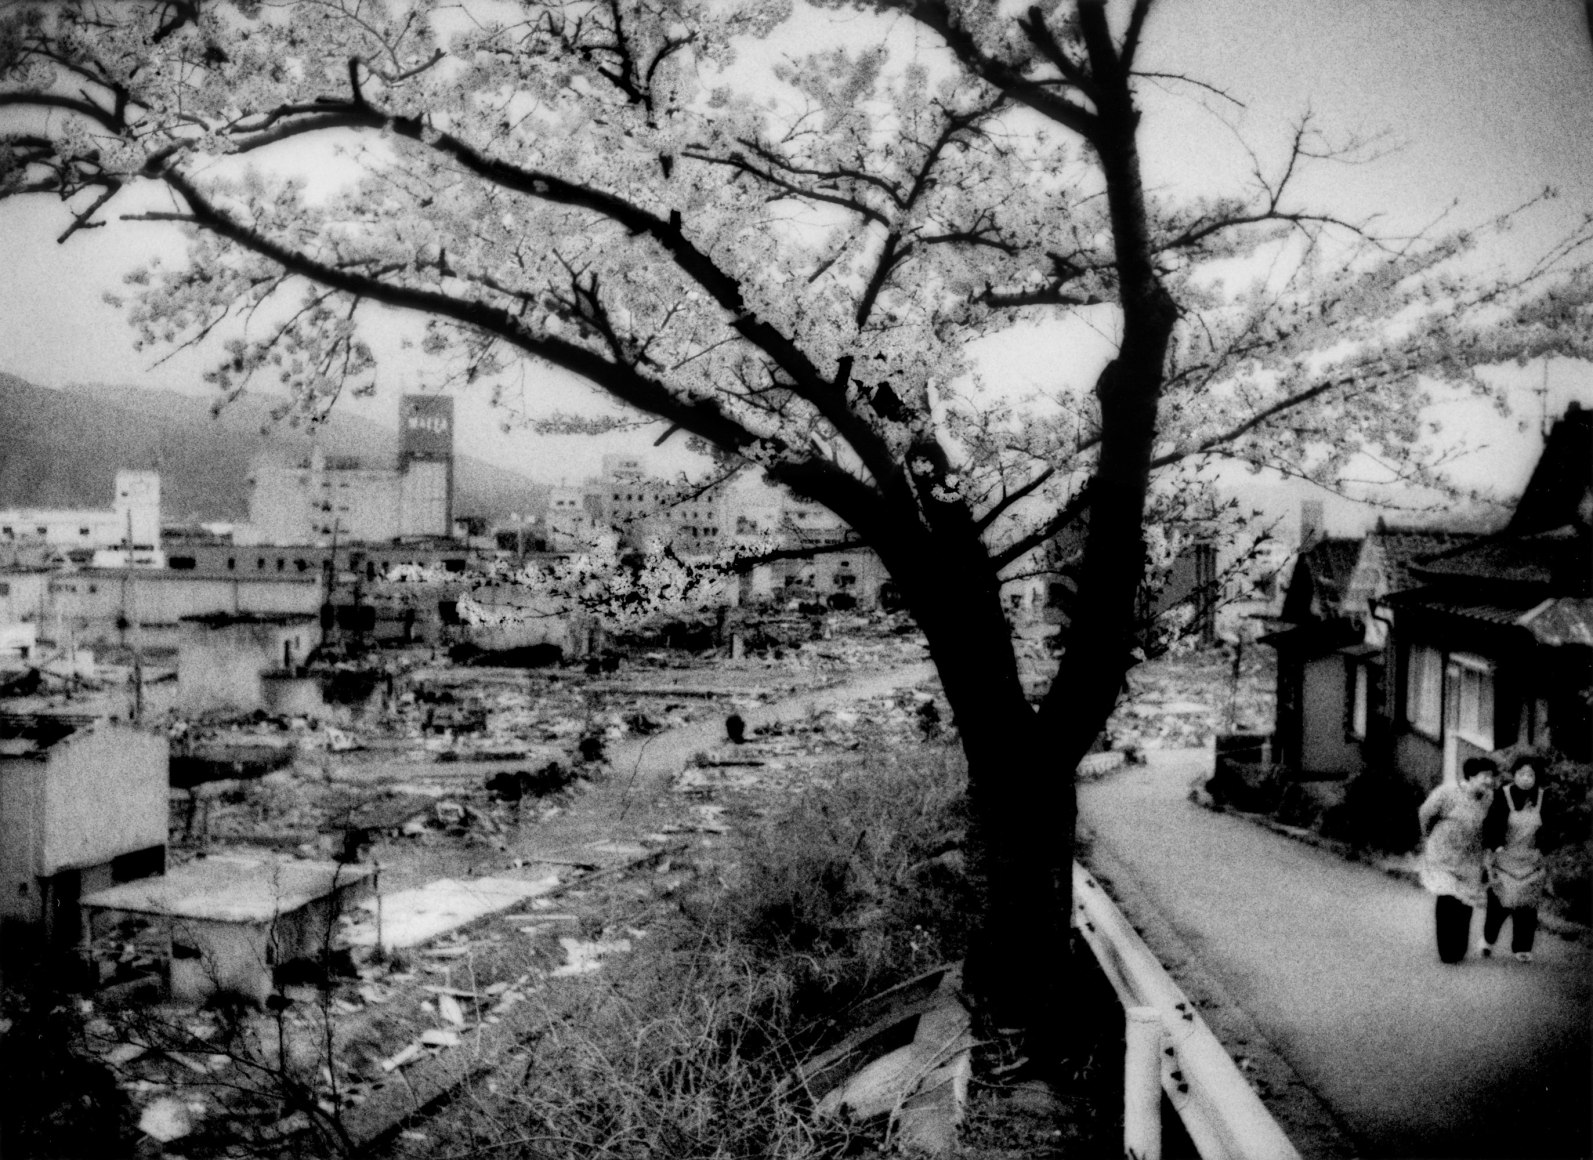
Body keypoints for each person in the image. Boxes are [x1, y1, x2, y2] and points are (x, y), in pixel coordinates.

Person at [1417, 757, 1497, 964]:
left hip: (1470, 857)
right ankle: (1446, 950)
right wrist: (1429, 837)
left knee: (1465, 901)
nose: (1489, 781)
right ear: (1471, 776)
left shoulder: (1488, 798)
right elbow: (1425, 814)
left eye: (1491, 776)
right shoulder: (1447, 793)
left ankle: (1459, 948)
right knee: (1447, 899)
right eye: (1485, 776)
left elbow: (1489, 826)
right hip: (1443, 854)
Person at [1479, 755, 1549, 962]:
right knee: (1499, 903)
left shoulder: (1543, 797)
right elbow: (1491, 823)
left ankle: (1522, 947)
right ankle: (1488, 940)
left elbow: (1549, 827)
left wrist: (1543, 848)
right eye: (1522, 774)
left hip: (1530, 858)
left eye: (1531, 775)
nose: (1526, 779)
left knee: (1527, 905)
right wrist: (1496, 846)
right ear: (1514, 774)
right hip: (1505, 856)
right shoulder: (1503, 794)